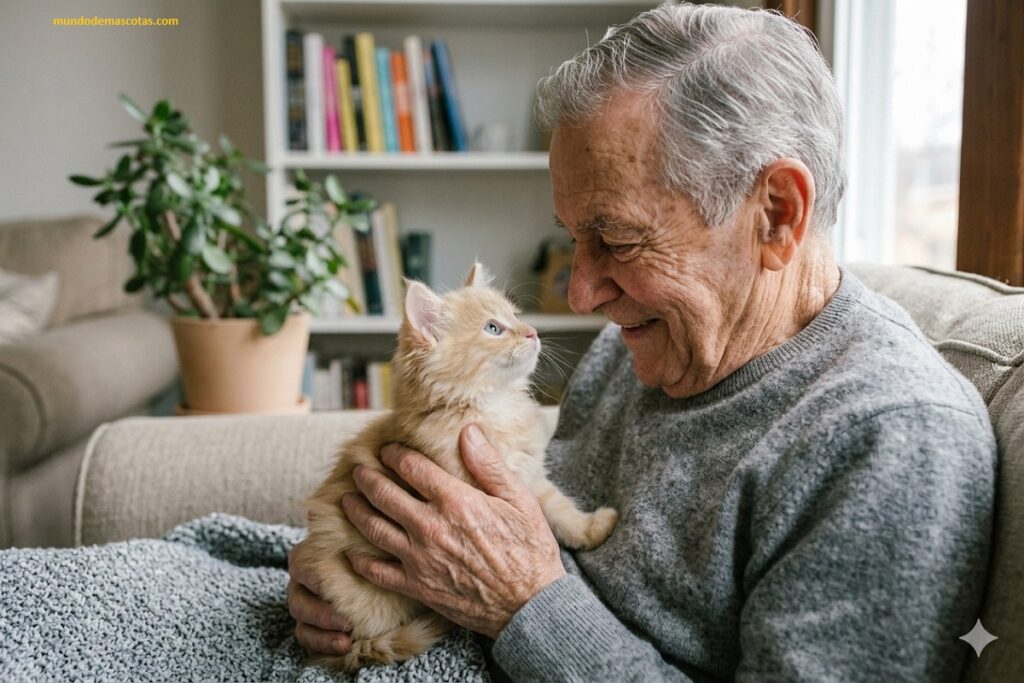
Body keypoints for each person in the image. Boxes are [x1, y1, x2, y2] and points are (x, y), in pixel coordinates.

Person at [288, 3, 996, 681]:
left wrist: (522, 603)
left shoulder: (891, 441)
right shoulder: (653, 338)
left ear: (777, 215)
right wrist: (338, 579)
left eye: (616, 239)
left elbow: (518, 577)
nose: (579, 294)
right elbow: (494, 530)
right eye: (574, 239)